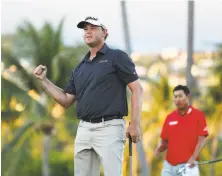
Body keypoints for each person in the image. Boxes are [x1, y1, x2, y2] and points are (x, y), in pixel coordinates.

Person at [33, 16, 143, 176]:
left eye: (93, 28)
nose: (88, 31)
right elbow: (66, 99)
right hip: (84, 129)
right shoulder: (80, 67)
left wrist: (135, 123)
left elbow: (137, 89)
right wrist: (43, 81)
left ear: (104, 32)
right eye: (85, 29)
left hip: (110, 127)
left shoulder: (117, 57)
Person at [155, 85, 209, 176]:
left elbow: (202, 140)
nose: (177, 99)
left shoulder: (198, 116)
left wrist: (193, 158)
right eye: (175, 97)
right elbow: (164, 140)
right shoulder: (169, 117)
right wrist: (160, 148)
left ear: (188, 97)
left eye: (180, 96)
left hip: (188, 166)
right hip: (169, 166)